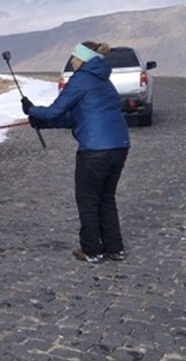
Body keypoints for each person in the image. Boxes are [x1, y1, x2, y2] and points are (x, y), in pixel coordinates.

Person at [23, 41, 130, 264]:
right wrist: (43, 124)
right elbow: (77, 117)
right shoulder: (104, 81)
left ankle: (92, 250)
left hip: (94, 150)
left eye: (74, 56)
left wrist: (31, 110)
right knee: (106, 198)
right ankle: (114, 248)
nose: (71, 60)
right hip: (119, 146)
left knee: (88, 199)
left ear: (84, 59)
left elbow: (54, 110)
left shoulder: (80, 80)